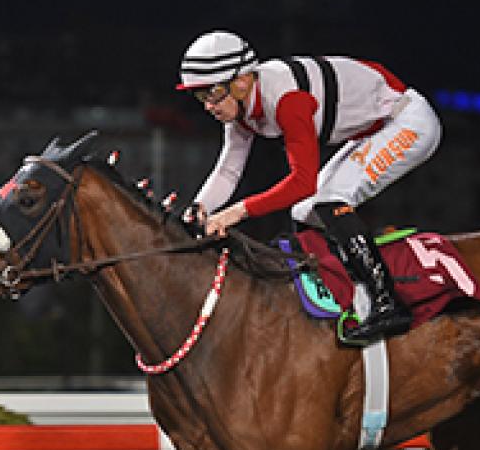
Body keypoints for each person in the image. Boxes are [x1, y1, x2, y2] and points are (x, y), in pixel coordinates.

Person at [177, 30, 442, 345]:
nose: (207, 106)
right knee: (304, 212)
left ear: (242, 82)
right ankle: (335, 290)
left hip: (407, 122)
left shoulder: (287, 101)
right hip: (372, 128)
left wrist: (232, 214)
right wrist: (200, 208)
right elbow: (229, 169)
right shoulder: (241, 107)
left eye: (212, 93)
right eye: (200, 96)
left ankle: (386, 301)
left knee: (329, 199)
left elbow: (303, 182)